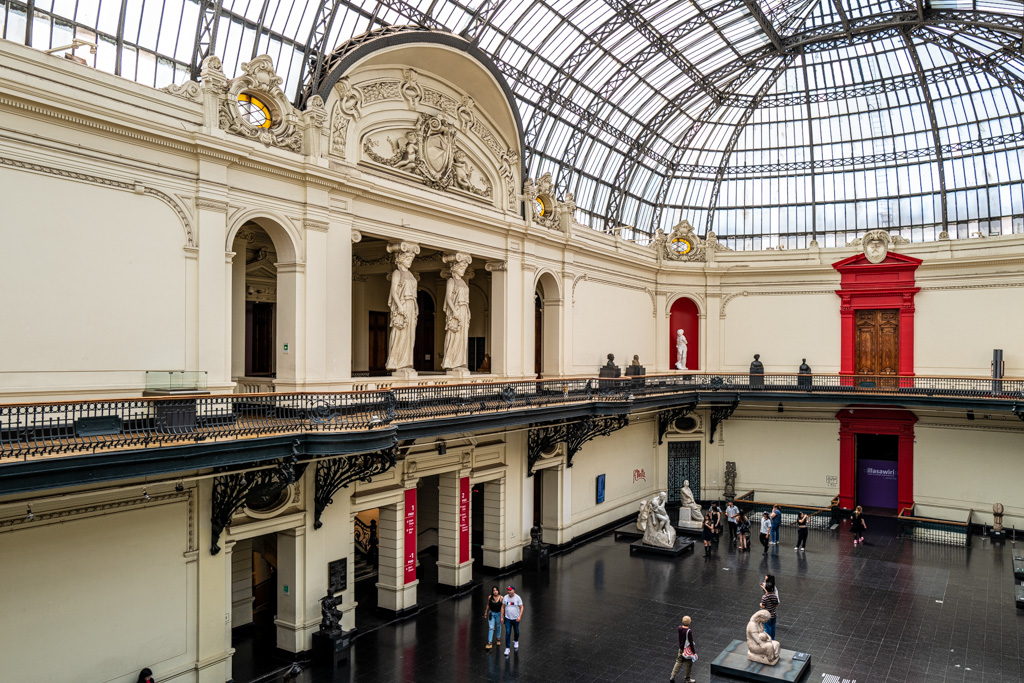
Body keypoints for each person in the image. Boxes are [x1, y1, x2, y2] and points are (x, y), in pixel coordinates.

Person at [669, 615, 697, 683]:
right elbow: (690, 642)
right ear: (689, 622)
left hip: (681, 649)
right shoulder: (688, 631)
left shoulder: (679, 628)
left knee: (678, 662)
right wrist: (694, 652)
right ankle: (687, 679)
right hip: (687, 650)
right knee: (688, 664)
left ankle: (672, 676)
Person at [502, 585, 524, 656]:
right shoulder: (505, 597)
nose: (509, 591)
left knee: (516, 631)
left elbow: (521, 607)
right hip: (507, 618)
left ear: (513, 590)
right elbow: (503, 607)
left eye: (510, 590)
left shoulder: (517, 598)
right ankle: (507, 648)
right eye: (508, 590)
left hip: (515, 618)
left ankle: (516, 640)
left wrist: (520, 616)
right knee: (508, 632)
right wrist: (502, 617)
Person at [759, 574, 779, 640]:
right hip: (773, 615)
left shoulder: (764, 597)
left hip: (767, 615)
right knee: (773, 628)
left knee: (767, 628)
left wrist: (760, 605)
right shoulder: (774, 596)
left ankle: (768, 639)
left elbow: (763, 606)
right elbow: (776, 604)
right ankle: (773, 639)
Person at [484, 585, 503, 650]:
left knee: (498, 626)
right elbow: (488, 605)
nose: (495, 592)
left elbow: (503, 607)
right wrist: (486, 612)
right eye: (493, 590)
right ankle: (489, 642)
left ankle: (498, 638)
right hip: (491, 613)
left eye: (496, 590)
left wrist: (502, 616)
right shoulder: (490, 597)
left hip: (498, 613)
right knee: (491, 628)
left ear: (498, 591)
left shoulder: (501, 598)